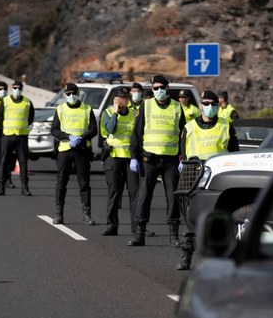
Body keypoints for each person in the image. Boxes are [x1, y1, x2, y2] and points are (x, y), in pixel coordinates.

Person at [175, 90, 239, 270]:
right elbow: (183, 154)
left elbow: (234, 153)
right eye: (206, 104)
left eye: (213, 104)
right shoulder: (189, 127)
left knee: (218, 216)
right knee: (190, 218)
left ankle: (217, 259)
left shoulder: (227, 125)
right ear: (201, 105)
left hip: (219, 176)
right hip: (194, 175)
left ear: (217, 106)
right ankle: (186, 255)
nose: (209, 107)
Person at [128, 74, 185, 247]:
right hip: (149, 158)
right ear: (152, 90)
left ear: (167, 88)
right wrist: (134, 157)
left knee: (173, 196)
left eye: (162, 87)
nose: (158, 90)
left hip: (171, 159)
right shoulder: (146, 106)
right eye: (155, 88)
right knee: (144, 195)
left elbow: (183, 133)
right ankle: (140, 234)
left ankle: (173, 235)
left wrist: (184, 157)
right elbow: (137, 133)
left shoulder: (176, 107)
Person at [51, 82, 98, 225]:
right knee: (61, 182)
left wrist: (81, 138)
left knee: (84, 183)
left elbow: (94, 129)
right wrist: (68, 137)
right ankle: (59, 214)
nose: (71, 96)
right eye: (68, 94)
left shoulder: (87, 109)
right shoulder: (60, 109)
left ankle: (86, 214)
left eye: (74, 93)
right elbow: (54, 130)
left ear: (78, 94)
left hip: (81, 150)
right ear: (64, 95)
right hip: (65, 150)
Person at [99, 86, 138, 236]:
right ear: (115, 100)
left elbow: (137, 134)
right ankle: (111, 225)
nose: (125, 100)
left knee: (134, 192)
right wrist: (115, 112)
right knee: (114, 191)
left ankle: (137, 227)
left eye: (126, 97)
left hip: (130, 158)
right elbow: (110, 129)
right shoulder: (108, 112)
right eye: (122, 98)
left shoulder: (134, 113)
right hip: (114, 157)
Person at [0, 80, 34, 196]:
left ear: (22, 89)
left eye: (19, 88)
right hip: (8, 135)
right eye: (15, 87)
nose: (16, 90)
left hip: (21, 136)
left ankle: (24, 186)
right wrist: (5, 127)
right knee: (4, 161)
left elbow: (30, 117)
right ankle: (1, 187)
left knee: (23, 162)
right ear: (12, 88)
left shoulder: (27, 102)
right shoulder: (5, 101)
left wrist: (23, 127)